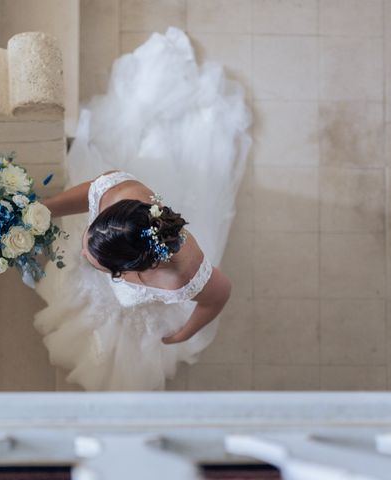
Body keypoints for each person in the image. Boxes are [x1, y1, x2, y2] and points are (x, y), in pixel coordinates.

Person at [34, 27, 253, 391]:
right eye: (89, 242)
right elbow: (88, 192)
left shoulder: (183, 275)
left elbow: (219, 296)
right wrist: (43, 209)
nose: (84, 251)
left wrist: (185, 331)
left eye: (96, 258)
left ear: (134, 267)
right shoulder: (121, 193)